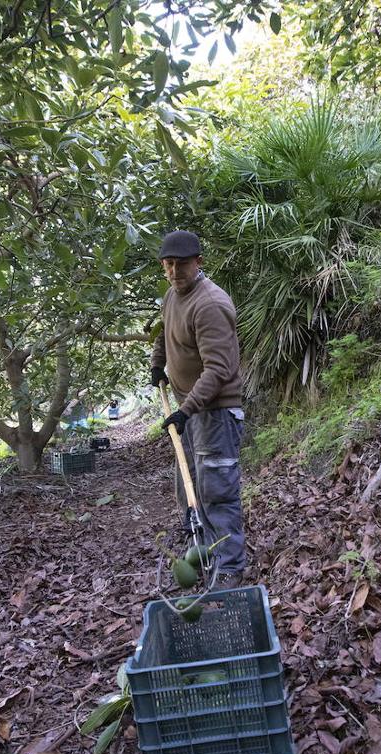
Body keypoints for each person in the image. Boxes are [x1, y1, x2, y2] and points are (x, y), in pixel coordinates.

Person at [150, 229, 247, 590]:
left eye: (181, 265)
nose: (174, 272)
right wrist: (158, 363)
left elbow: (219, 370)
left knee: (216, 491)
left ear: (199, 263)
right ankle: (203, 552)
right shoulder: (173, 296)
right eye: (168, 265)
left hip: (215, 414)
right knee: (188, 488)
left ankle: (231, 567)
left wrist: (186, 409)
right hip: (189, 411)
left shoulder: (210, 304)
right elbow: (163, 332)